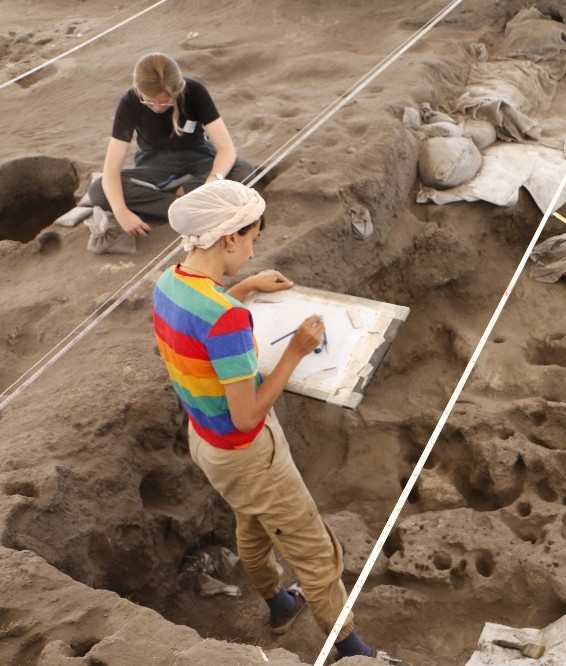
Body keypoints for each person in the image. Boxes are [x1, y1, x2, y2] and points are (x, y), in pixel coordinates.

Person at [151, 180, 403, 663]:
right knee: (314, 550)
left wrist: (243, 288)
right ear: (228, 239)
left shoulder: (169, 284)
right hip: (247, 449)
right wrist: (295, 351)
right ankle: (352, 649)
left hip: (207, 442)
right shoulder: (227, 319)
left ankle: (280, 604)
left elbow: (202, 318)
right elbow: (247, 413)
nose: (251, 250)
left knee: (251, 522)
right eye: (250, 240)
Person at [90, 52, 254, 237]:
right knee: (98, 191)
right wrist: (121, 213)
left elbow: (226, 149)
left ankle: (185, 203)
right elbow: (111, 167)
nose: (158, 107)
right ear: (139, 90)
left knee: (243, 169)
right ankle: (188, 207)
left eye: (166, 101)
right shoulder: (130, 101)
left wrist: (213, 181)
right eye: (150, 101)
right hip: (155, 163)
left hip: (197, 156)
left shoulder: (194, 91)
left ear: (178, 89)